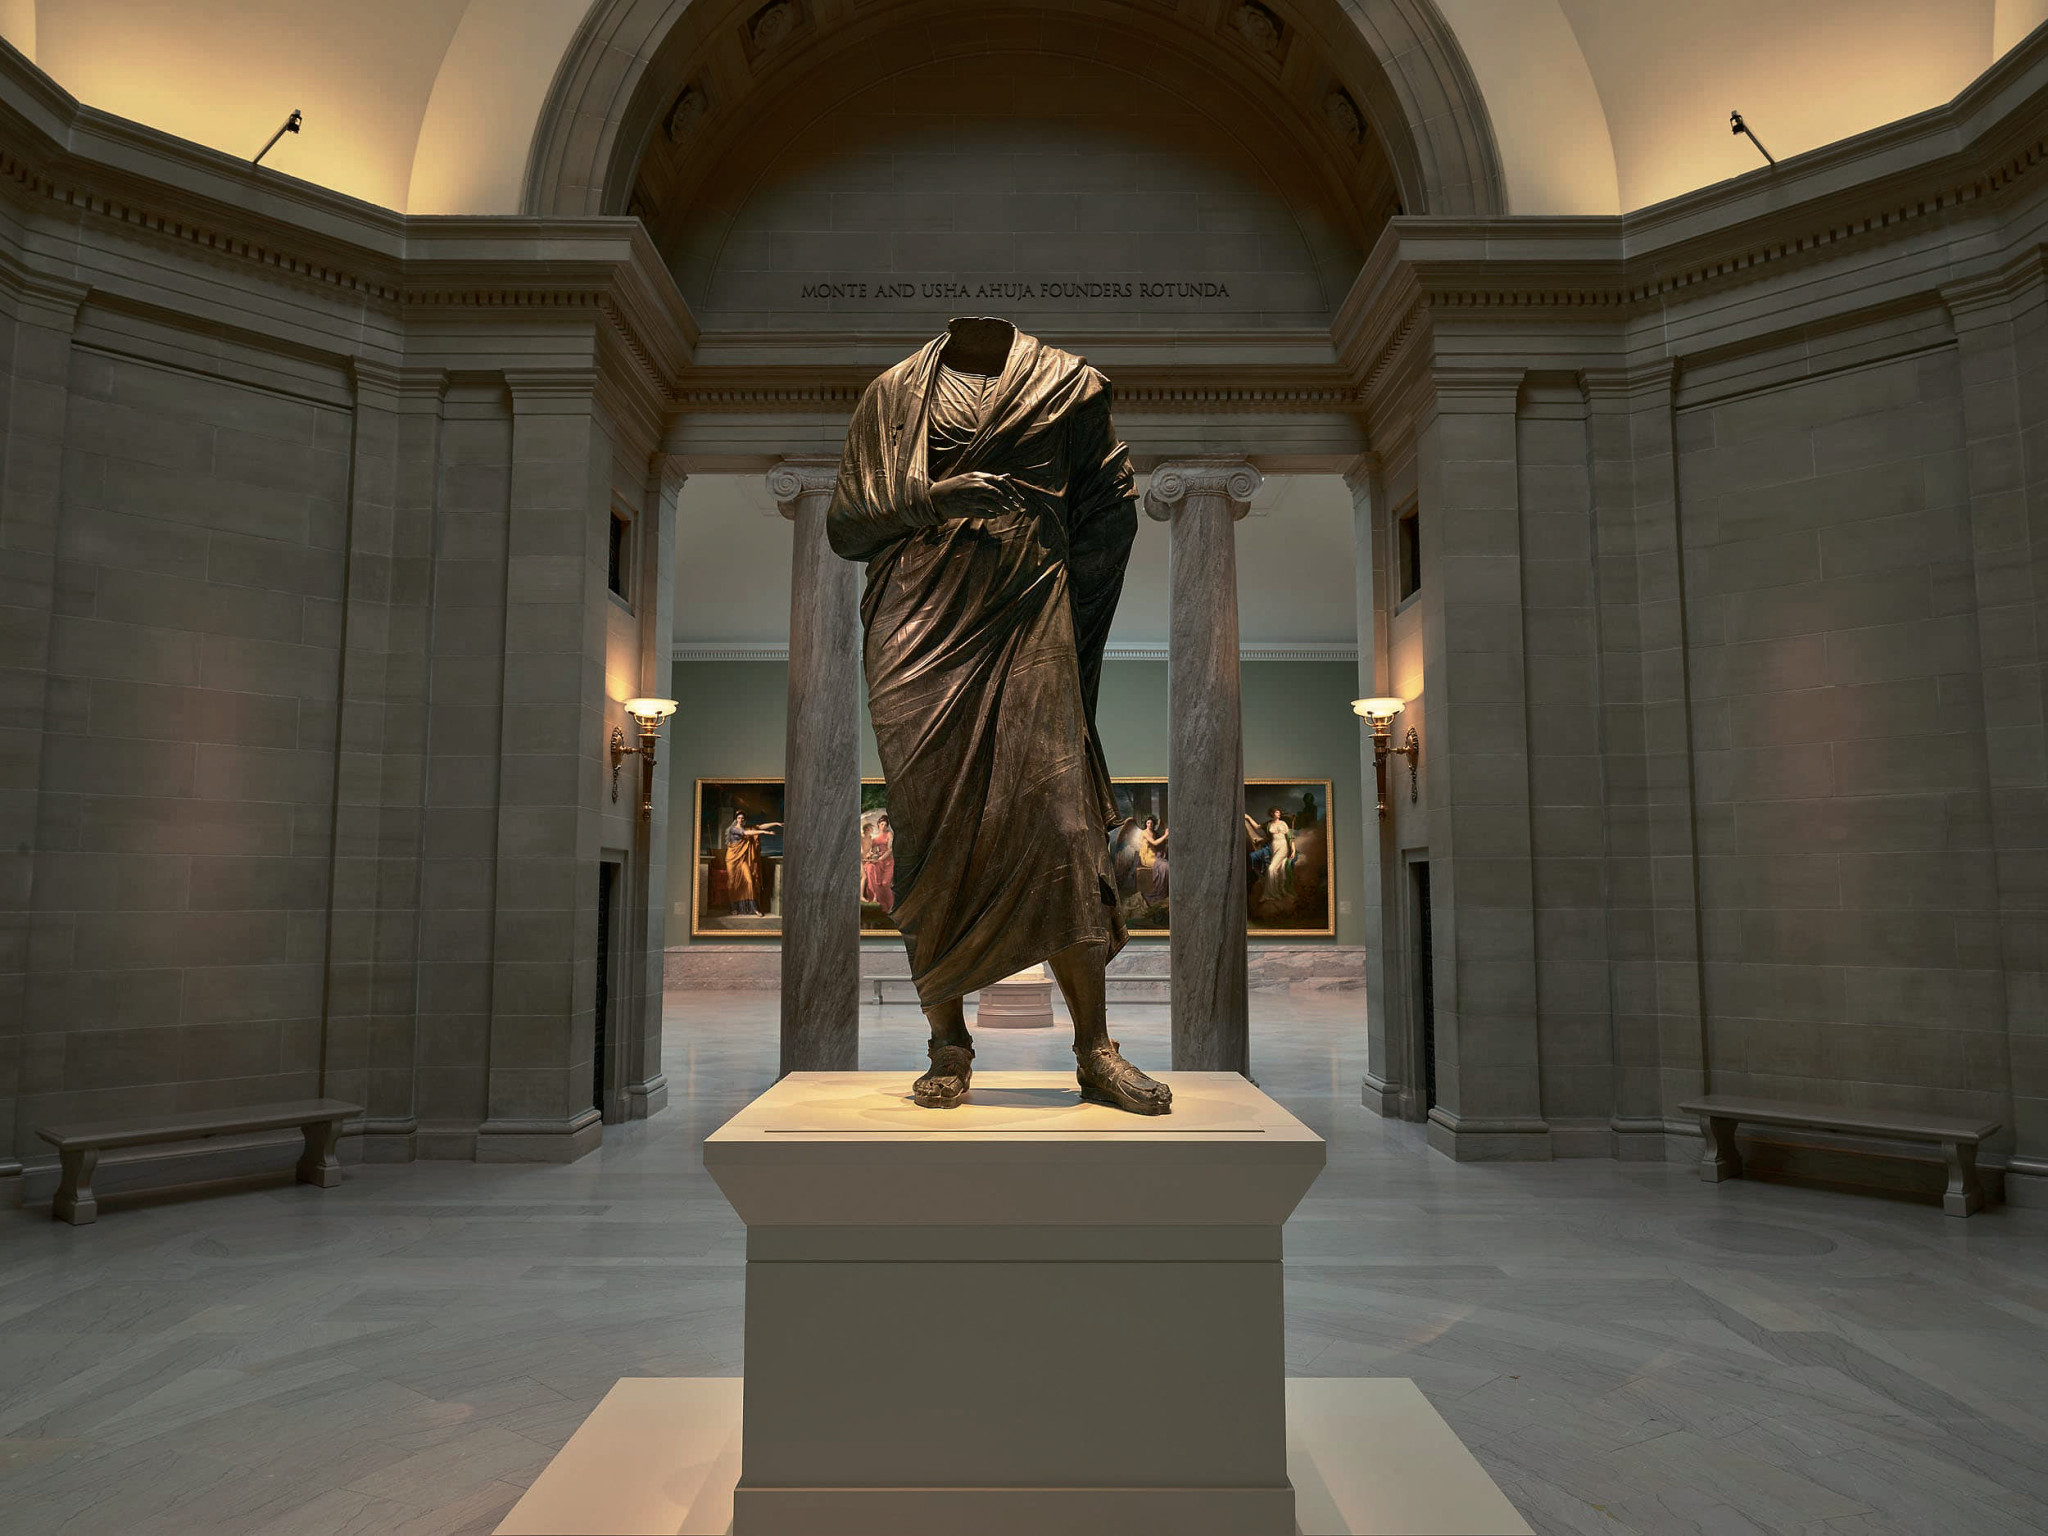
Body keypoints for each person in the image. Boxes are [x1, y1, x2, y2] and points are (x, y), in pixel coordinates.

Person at [828, 316, 1170, 1114]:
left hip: (1028, 613)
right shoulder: (890, 394)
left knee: (1063, 825)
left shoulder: (1069, 384)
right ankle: (948, 1043)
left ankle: (1095, 1049)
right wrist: (931, 498)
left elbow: (1109, 504)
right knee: (929, 832)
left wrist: (1062, 583)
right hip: (918, 625)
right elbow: (847, 524)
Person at [723, 811, 781, 917]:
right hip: (732, 859)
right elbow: (746, 833)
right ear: (736, 819)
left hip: (742, 859)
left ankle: (754, 908)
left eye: (742, 818)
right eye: (739, 818)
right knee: (732, 883)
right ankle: (734, 907)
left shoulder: (747, 828)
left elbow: (759, 826)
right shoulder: (733, 829)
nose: (741, 820)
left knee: (749, 881)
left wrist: (775, 823)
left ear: (744, 820)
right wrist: (765, 833)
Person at [862, 811, 895, 911]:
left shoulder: (889, 834)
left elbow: (890, 849)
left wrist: (881, 858)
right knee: (869, 868)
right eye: (882, 824)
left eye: (885, 825)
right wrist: (870, 854)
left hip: (887, 861)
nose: (883, 826)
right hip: (877, 861)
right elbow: (872, 850)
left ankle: (890, 905)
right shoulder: (874, 837)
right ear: (878, 824)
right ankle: (875, 897)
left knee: (885, 883)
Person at [1134, 816, 1169, 905]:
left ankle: (1166, 889)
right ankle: (1160, 891)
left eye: (1151, 823)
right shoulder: (1144, 833)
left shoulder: (1153, 833)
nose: (1150, 825)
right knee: (1165, 866)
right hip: (1146, 858)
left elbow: (1160, 842)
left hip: (1154, 856)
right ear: (1146, 824)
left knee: (1166, 864)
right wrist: (1165, 835)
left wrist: (1165, 838)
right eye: (1148, 823)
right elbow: (1155, 843)